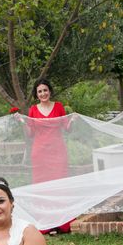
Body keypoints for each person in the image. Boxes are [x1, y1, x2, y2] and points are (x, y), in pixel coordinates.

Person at [27, 78, 72, 234]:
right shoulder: (32, 110)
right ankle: (46, 224)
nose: (43, 93)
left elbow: (67, 128)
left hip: (57, 152)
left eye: (45, 90)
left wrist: (73, 121)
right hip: (39, 154)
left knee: (60, 186)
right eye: (40, 91)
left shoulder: (58, 107)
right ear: (36, 94)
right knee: (42, 189)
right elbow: (30, 133)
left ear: (50, 91)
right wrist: (22, 122)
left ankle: (62, 223)